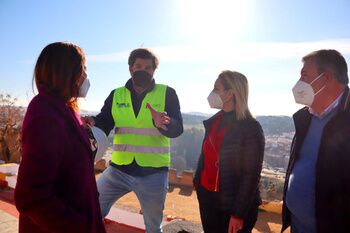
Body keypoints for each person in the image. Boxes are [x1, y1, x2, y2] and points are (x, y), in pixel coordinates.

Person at [82, 48, 183, 233]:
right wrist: (94, 122)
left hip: (153, 174)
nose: (142, 70)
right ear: (130, 68)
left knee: (153, 227)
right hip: (118, 171)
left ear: (154, 71)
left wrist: (164, 123)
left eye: (147, 67)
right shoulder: (116, 95)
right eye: (138, 66)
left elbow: (178, 129)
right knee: (91, 209)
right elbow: (105, 121)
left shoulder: (167, 93)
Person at [14, 42, 106, 233]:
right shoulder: (45, 115)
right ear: (67, 72)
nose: (86, 77)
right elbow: (31, 197)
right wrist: (79, 226)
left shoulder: (62, 109)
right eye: (83, 70)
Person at [281, 49, 350, 233]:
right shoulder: (307, 117)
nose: (298, 84)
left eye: (304, 75)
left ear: (325, 78)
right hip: (296, 226)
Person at [193, 70, 265, 233]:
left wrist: (238, 214)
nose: (212, 93)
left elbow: (251, 175)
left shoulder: (251, 128)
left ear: (230, 94)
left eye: (216, 88)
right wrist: (198, 183)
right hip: (208, 200)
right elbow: (206, 156)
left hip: (232, 206)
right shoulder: (213, 122)